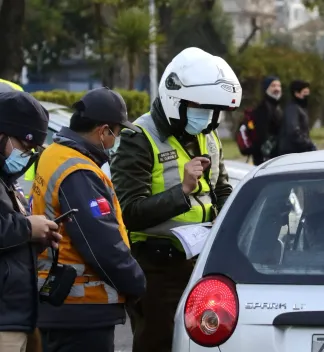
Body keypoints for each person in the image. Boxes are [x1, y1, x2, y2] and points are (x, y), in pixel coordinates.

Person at [110, 47, 240, 352]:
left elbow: (220, 188)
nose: (207, 115)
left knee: (204, 341)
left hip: (201, 263)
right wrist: (182, 191)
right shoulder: (139, 137)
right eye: (200, 106)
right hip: (156, 267)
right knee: (159, 342)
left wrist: (233, 217)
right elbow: (129, 212)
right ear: (175, 99)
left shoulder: (207, 135)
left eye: (212, 109)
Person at [30, 87, 146, 352]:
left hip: (59, 301)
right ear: (103, 131)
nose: (115, 139)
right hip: (81, 309)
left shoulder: (54, 154)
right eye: (116, 132)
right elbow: (102, 245)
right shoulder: (79, 171)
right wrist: (136, 282)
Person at [0, 91, 62, 352]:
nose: (28, 156)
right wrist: (27, 228)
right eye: (25, 147)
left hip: (19, 316)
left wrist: (37, 239)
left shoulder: (7, 182)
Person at [250, 76, 283, 166]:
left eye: (279, 86)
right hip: (266, 157)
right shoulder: (263, 108)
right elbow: (262, 134)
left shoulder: (276, 106)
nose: (277, 88)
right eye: (273, 86)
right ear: (266, 88)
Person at [278, 79, 316, 155]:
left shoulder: (299, 108)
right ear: (296, 93)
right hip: (292, 152)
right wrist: (308, 144)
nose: (307, 96)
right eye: (304, 93)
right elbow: (293, 131)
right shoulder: (293, 109)